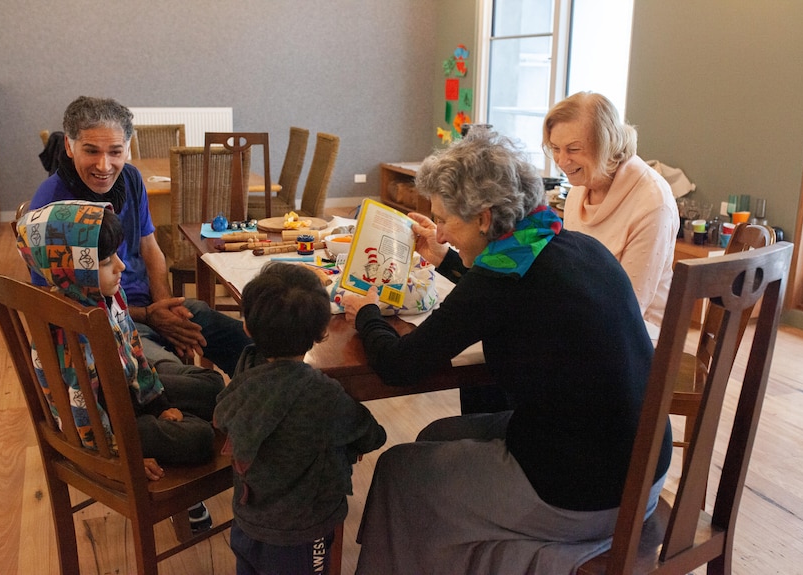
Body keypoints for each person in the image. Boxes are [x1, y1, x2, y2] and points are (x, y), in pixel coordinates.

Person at [341, 128, 671, 574]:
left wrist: (367, 315)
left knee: (399, 468)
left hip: (587, 494)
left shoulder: (499, 279)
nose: (439, 231)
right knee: (437, 435)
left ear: (483, 217)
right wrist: (449, 261)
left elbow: (401, 365)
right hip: (642, 470)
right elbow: (496, 297)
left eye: (444, 220)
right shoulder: (566, 245)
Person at [15, 201, 224, 532]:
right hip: (105, 427)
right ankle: (194, 438)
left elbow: (136, 353)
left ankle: (184, 424)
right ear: (72, 268)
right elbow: (79, 409)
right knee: (199, 438)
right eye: (106, 261)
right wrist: (117, 460)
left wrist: (159, 404)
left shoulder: (105, 295)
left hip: (126, 393)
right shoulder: (67, 327)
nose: (121, 267)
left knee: (211, 385)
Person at [29, 96, 250, 375]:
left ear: (127, 150)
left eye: (115, 152)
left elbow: (150, 249)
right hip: (100, 327)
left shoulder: (131, 180)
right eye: (92, 151)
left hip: (148, 310)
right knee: (201, 385)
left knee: (250, 347)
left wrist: (163, 310)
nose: (104, 165)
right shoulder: (53, 208)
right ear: (69, 147)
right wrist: (149, 317)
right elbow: (59, 303)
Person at [214, 262, 386, 575]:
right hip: (302, 533)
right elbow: (372, 434)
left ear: (247, 328)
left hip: (248, 519)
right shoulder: (325, 396)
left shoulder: (245, 368)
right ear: (322, 332)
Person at [543, 91, 679, 328]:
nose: (562, 161)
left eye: (573, 149)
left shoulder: (653, 202)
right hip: (586, 321)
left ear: (606, 145)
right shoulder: (578, 191)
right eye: (555, 148)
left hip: (638, 338)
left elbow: (630, 308)